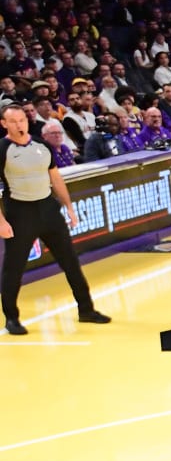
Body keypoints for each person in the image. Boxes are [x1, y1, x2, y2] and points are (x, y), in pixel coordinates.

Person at [1, 103, 109, 336]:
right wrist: (1, 221)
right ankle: (12, 318)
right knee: (14, 268)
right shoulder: (3, 148)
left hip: (48, 209)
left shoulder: (41, 145)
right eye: (13, 121)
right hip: (20, 212)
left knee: (70, 261)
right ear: (4, 124)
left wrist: (68, 207)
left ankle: (86, 309)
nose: (19, 124)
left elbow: (55, 177)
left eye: (22, 119)